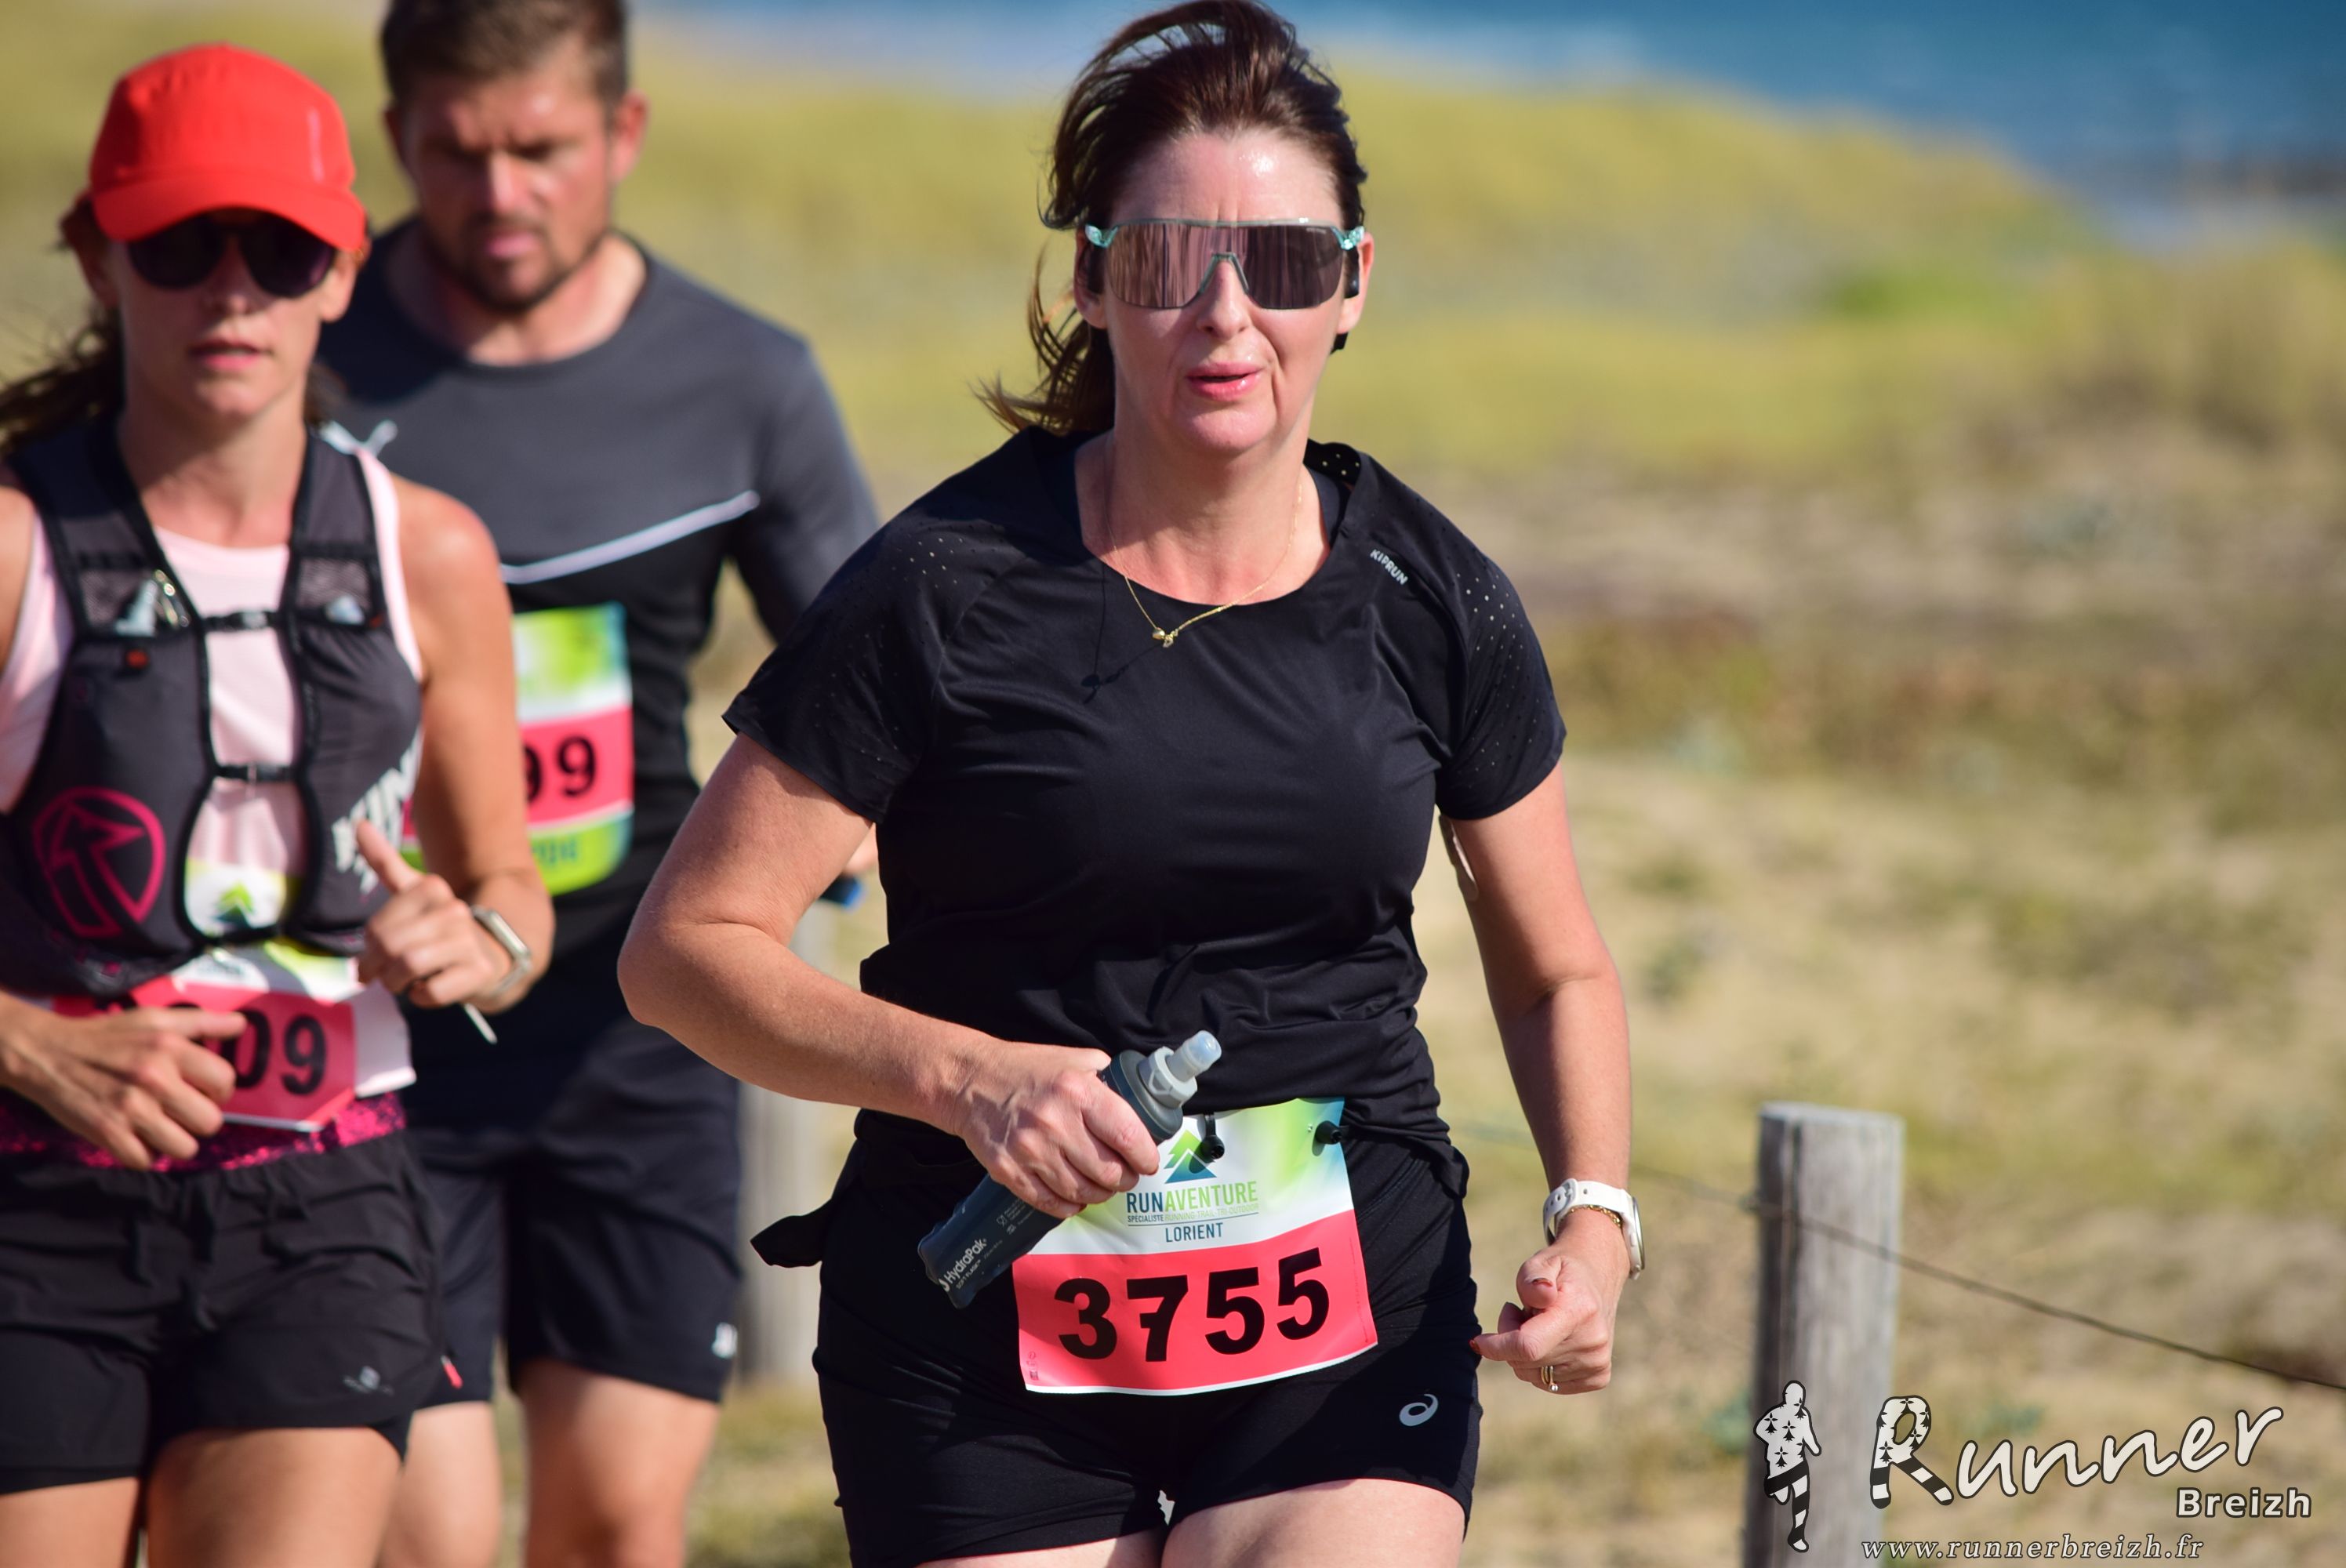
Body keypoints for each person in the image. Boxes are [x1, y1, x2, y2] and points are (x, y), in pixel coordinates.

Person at [619, 2, 1641, 1563]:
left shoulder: (1433, 598)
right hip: (977, 1321)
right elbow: (684, 954)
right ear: (1094, 283)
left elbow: (1556, 965)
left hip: (1340, 1314)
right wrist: (973, 1082)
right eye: (1169, 259)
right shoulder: (942, 586)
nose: (1227, 314)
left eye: (1282, 262)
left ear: (1352, 285)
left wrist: (1595, 1218)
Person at [315, 2, 879, 1563]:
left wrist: (835, 849)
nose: (500, 194)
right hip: (376, 1028)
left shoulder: (745, 381)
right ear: (397, 139)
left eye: (542, 149)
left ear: (621, 134)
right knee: (423, 1538)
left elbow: (880, 691)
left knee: (619, 1527)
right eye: (456, 152)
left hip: (640, 1028)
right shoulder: (308, 357)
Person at [0, 43, 550, 1568]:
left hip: (325, 1205)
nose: (231, 291)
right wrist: (34, 1045)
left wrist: (477, 945)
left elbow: (511, 891)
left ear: (343, 272)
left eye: (281, 250)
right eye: (180, 245)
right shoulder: (17, 546)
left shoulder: (431, 553)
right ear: (99, 259)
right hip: (35, 1200)